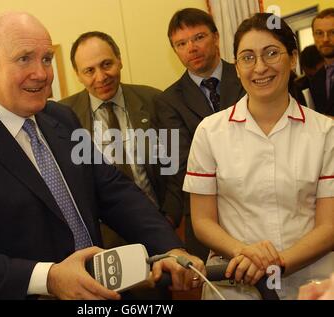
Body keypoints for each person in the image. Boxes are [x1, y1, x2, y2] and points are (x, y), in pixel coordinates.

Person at [0, 12, 205, 300]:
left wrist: (170, 248)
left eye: (46, 59)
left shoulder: (61, 118)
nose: (42, 73)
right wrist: (48, 277)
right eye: (24, 59)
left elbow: (115, 192)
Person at [183, 12, 334, 300]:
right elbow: (202, 221)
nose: (260, 67)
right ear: (236, 67)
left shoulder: (327, 132)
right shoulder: (210, 132)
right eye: (247, 57)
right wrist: (244, 252)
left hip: (312, 284)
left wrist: (275, 264)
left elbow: (329, 226)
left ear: (292, 59)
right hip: (235, 282)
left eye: (271, 53)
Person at [59, 32, 170, 249]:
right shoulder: (62, 117)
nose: (101, 77)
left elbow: (172, 166)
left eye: (106, 64)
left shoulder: (154, 100)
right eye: (89, 70)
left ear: (119, 60)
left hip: (159, 227)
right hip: (101, 241)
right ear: (78, 75)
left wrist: (171, 218)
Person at [154, 8, 245, 261]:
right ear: (175, 50)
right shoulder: (168, 101)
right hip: (206, 216)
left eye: (199, 37)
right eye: (181, 43)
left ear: (216, 37)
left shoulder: (246, 76)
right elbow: (184, 165)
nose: (191, 48)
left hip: (260, 205)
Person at [309, 8, 334, 117]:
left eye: (332, 32)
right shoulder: (316, 79)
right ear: (314, 36)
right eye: (319, 33)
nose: (325, 39)